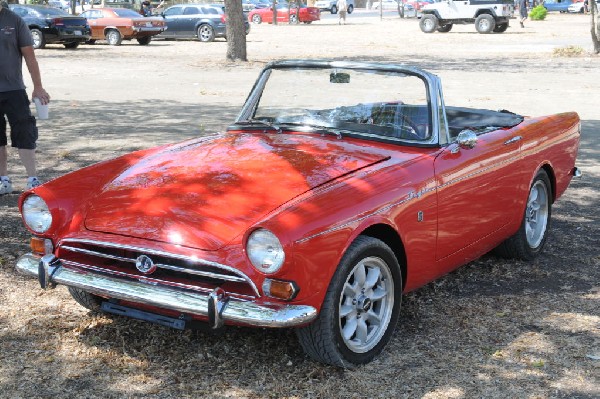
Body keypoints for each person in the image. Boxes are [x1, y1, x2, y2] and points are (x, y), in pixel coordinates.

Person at [0, 0, 49, 195]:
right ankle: (3, 180)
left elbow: (29, 56)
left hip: (14, 90)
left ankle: (32, 178)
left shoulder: (14, 20)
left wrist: (38, 87)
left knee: (25, 133)